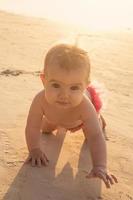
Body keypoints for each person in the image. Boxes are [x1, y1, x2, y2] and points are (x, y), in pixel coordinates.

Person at [25, 43, 118, 188]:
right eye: (56, 85)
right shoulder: (40, 100)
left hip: (78, 120)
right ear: (43, 81)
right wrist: (35, 149)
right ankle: (58, 122)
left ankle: (99, 119)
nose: (64, 95)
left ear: (85, 86)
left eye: (74, 87)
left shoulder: (85, 106)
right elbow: (32, 126)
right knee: (46, 129)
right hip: (53, 116)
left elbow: (95, 136)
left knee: (91, 132)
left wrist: (100, 165)